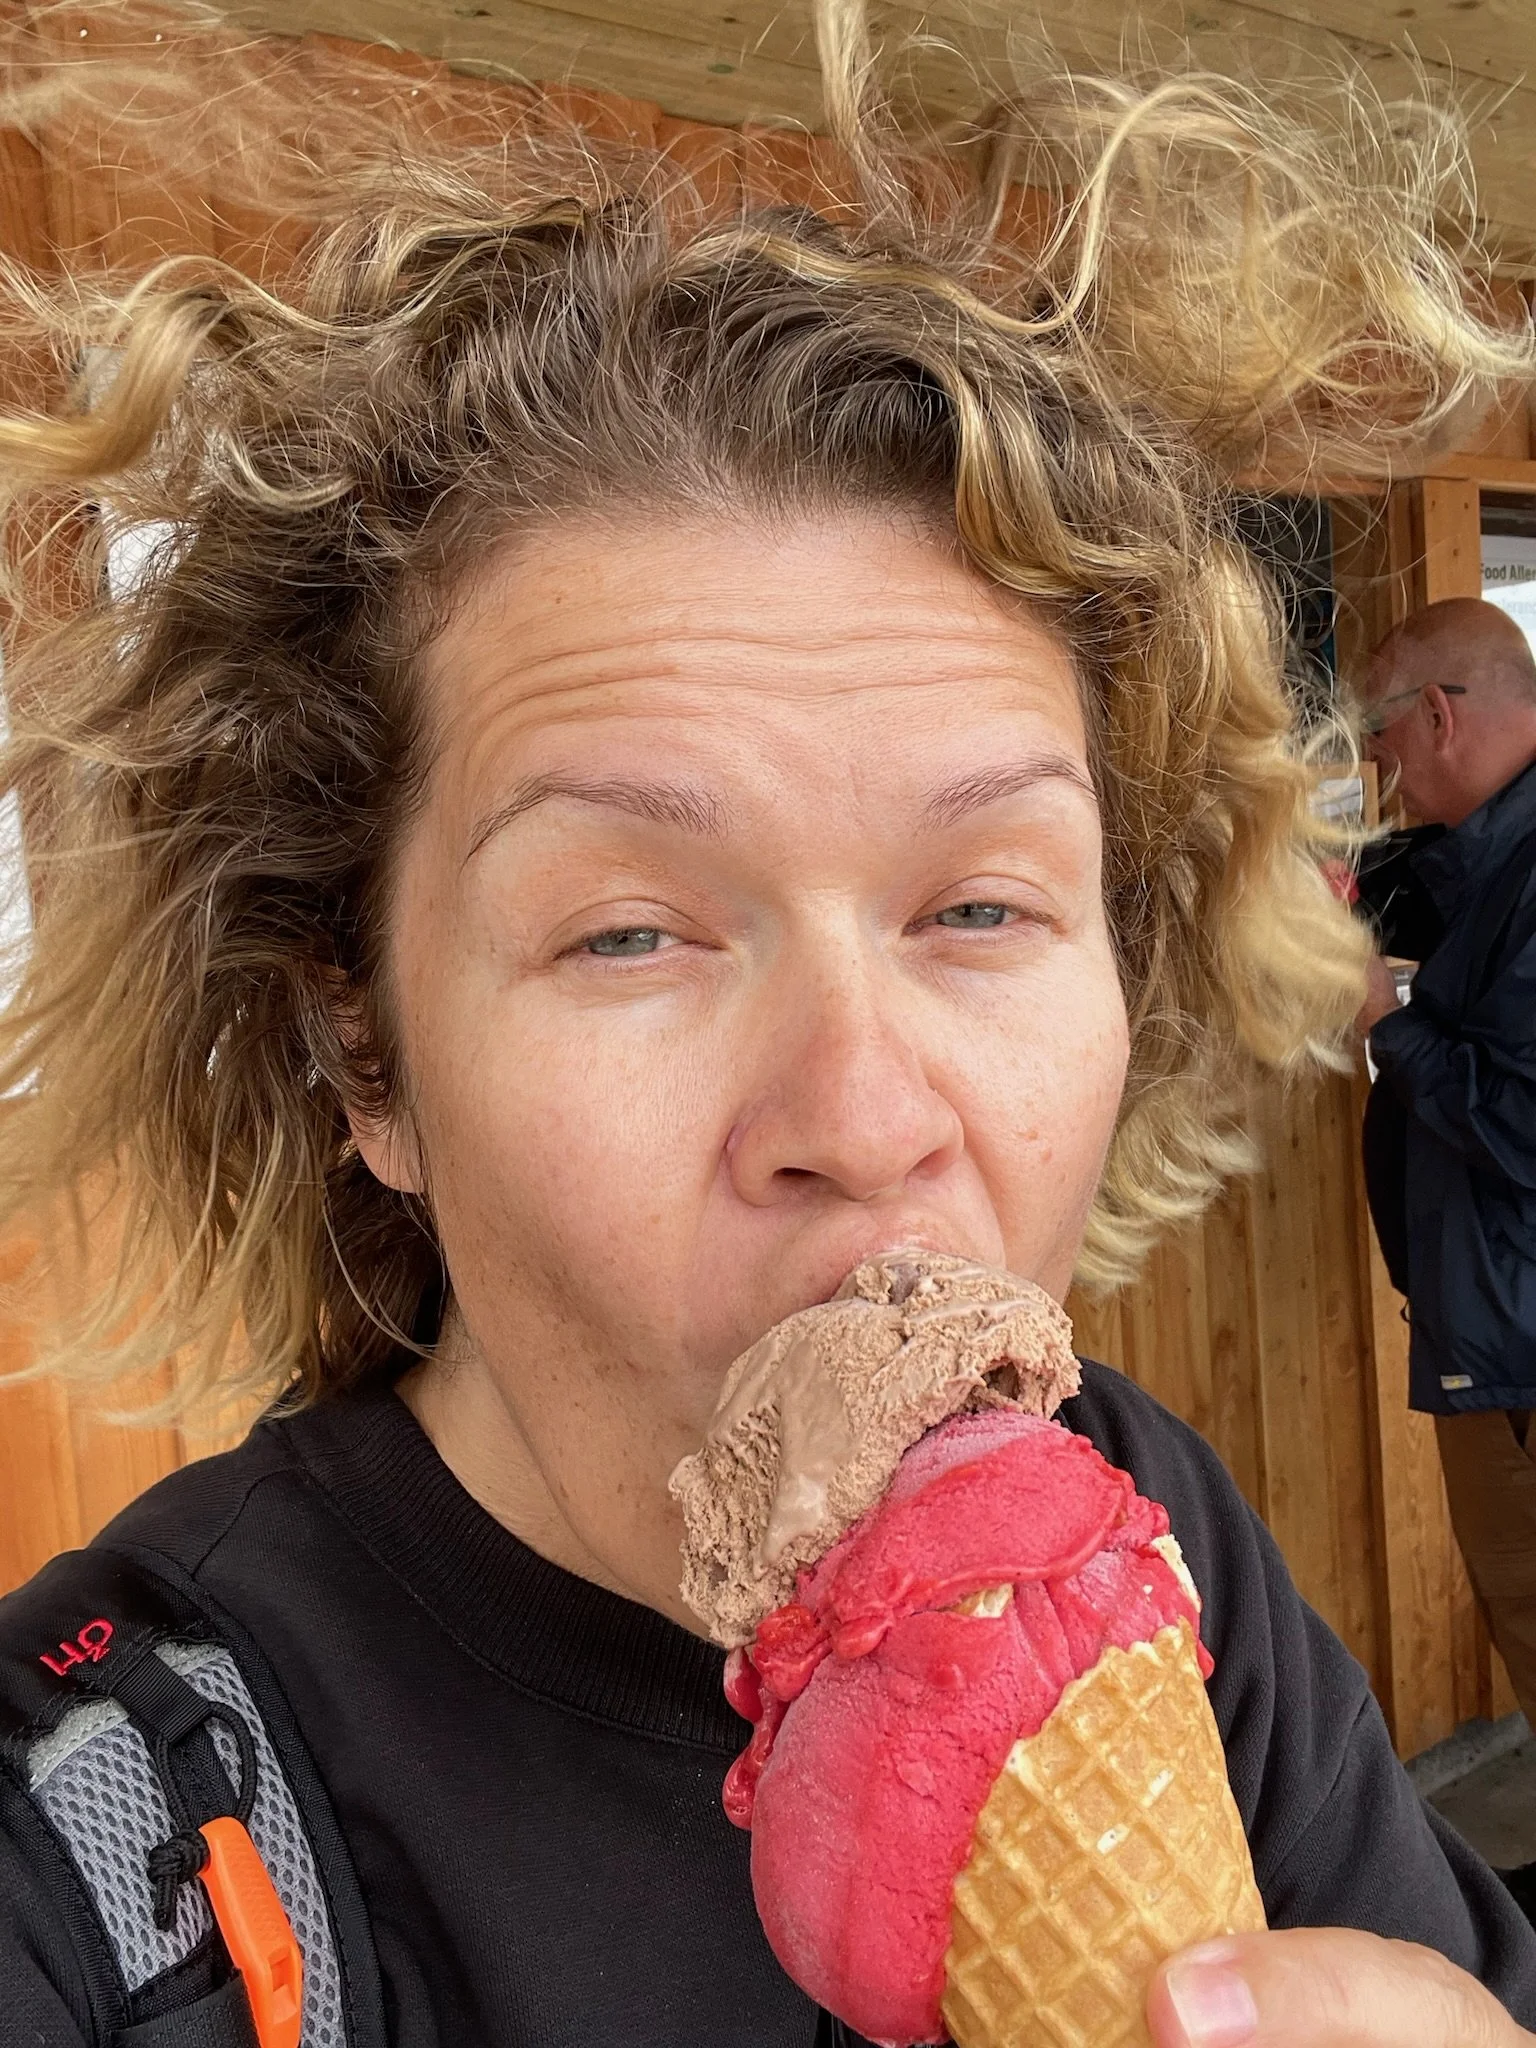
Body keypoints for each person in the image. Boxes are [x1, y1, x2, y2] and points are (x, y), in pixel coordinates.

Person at [1, 6, 1535, 2043]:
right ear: (368, 1062)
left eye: (981, 903)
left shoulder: (1154, 1546)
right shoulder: (111, 1842)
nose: (863, 1109)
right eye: (632, 932)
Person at [1357, 599, 1536, 1764]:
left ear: (1438, 713)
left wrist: (1391, 1022)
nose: (1380, 771)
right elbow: (1424, 880)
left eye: (1382, 742)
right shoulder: (1491, 851)